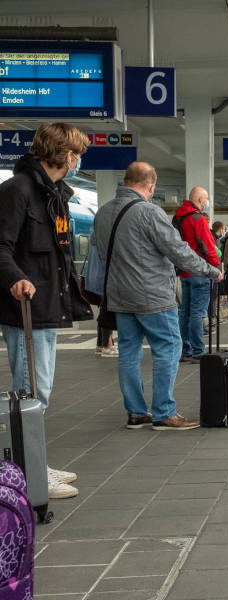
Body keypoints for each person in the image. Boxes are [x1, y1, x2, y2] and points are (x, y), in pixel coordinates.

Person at [0, 122, 93, 499]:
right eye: (77, 154)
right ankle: (28, 473)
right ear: (66, 154)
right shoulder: (17, 191)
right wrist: (16, 279)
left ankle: (35, 462)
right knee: (29, 391)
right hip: (26, 307)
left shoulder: (52, 194)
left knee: (41, 390)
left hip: (48, 306)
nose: (78, 160)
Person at [95, 163, 222, 431]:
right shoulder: (149, 212)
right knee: (169, 347)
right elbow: (179, 252)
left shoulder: (103, 213)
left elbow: (103, 254)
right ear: (150, 186)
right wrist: (212, 271)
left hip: (119, 295)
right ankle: (164, 412)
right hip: (152, 295)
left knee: (129, 351)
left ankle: (137, 413)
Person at [173, 187, 220, 361]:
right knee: (198, 313)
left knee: (183, 312)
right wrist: (215, 268)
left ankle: (185, 350)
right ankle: (198, 350)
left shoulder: (178, 217)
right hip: (199, 271)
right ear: (200, 200)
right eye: (206, 200)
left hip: (183, 272)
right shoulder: (198, 219)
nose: (207, 203)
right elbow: (208, 247)